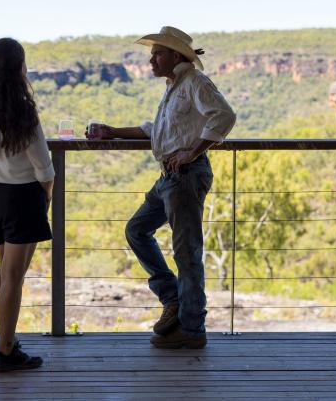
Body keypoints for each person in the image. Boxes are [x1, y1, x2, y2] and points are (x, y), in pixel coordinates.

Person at [87, 26, 236, 349]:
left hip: (185, 175)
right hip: (171, 176)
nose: (151, 59)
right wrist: (113, 131)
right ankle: (173, 299)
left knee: (187, 252)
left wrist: (192, 151)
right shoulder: (175, 86)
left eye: (157, 53)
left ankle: (192, 330)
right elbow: (159, 131)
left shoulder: (195, 82)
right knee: (137, 230)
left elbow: (224, 116)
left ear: (176, 56)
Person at [0, 38, 54, 372]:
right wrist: (44, 198)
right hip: (23, 197)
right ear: (20, 68)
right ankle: (5, 351)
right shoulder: (24, 112)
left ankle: (7, 340)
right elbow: (44, 168)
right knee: (13, 279)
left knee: (5, 276)